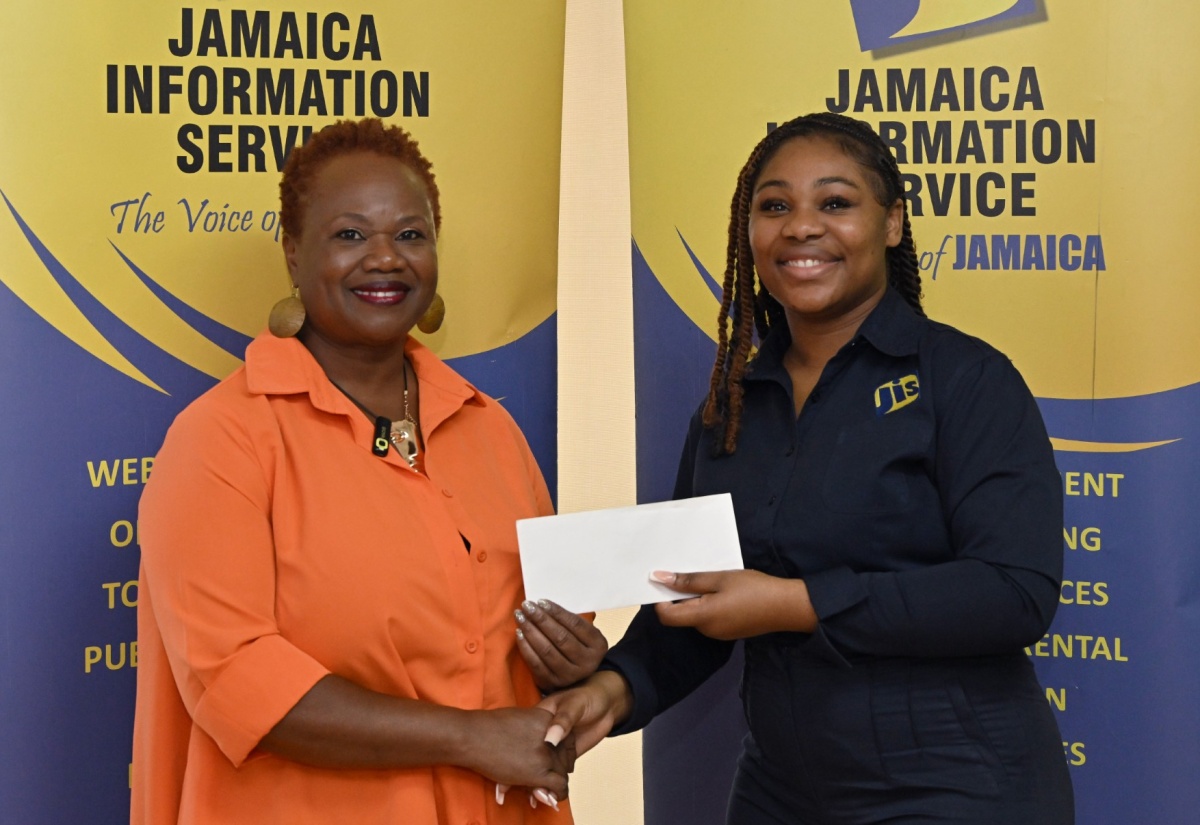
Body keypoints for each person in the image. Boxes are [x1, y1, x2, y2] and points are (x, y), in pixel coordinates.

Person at [537, 112, 1075, 824]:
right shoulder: (730, 406)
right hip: (783, 789)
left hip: (956, 781)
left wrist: (796, 601)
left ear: (891, 223)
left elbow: (1013, 592)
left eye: (835, 202)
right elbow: (691, 605)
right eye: (774, 206)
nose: (800, 227)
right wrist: (611, 687)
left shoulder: (966, 380)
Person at [130, 118, 605, 825]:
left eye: (410, 235)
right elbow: (233, 681)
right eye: (350, 235)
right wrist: (470, 738)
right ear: (294, 253)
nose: (385, 258)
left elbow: (525, 631)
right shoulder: (222, 439)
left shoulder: (488, 427)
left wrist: (571, 658)